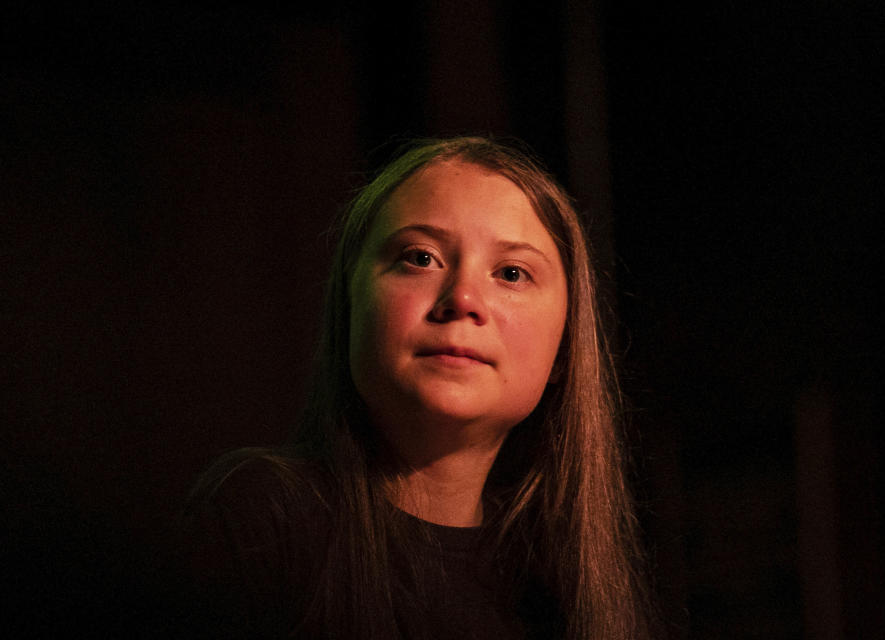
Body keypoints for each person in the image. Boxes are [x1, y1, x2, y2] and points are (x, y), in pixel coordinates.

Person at [178, 136, 657, 639]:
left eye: (512, 273)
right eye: (420, 257)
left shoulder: (568, 587)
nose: (464, 298)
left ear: (564, 349)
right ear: (349, 299)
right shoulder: (260, 521)